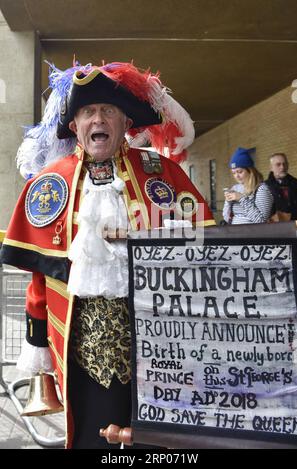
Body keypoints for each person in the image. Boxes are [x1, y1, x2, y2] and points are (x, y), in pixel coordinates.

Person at [0, 61, 215, 449]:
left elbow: (202, 244)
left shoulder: (161, 173)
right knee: (91, 438)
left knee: (161, 443)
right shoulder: (51, 182)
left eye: (108, 111)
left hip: (161, 352)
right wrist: (36, 343)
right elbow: (39, 278)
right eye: (88, 112)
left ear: (126, 122)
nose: (98, 119)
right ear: (74, 126)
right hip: (83, 357)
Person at [222, 147, 273, 224]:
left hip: (253, 234)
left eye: (239, 172)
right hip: (235, 233)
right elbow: (226, 218)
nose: (236, 176)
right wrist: (228, 203)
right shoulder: (235, 188)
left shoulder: (261, 189)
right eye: (234, 173)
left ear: (250, 171)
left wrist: (241, 198)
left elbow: (261, 221)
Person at [265, 152, 297, 222]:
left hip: (296, 227)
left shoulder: (295, 183)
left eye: (285, 164)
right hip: (276, 229)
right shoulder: (265, 186)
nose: (282, 167)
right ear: (271, 168)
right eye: (278, 164)